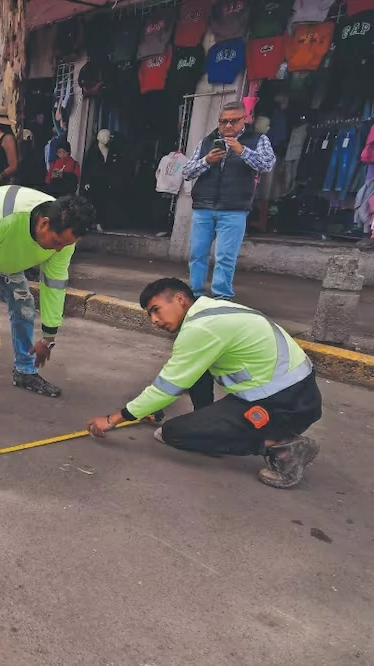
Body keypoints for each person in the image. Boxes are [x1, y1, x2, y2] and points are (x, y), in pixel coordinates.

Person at [86, 278, 321, 489]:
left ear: (179, 299)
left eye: (156, 310)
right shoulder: (212, 311)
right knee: (198, 373)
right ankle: (210, 424)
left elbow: (166, 387)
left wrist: (112, 420)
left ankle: (284, 446)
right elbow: (187, 375)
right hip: (295, 393)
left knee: (171, 433)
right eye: (150, 315)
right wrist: (152, 408)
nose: (154, 321)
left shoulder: (201, 328)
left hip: (282, 403)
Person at [0, 187, 96, 411]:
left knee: (25, 307)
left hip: (4, 257)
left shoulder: (64, 239)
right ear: (43, 224)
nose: (58, 250)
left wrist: (48, 338)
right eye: (56, 242)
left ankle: (25, 372)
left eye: (65, 245)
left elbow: (54, 285)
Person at [182, 101, 276, 300]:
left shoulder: (257, 139)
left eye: (234, 121)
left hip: (234, 208)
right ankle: (195, 294)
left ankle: (221, 297)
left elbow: (267, 164)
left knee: (225, 257)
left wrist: (242, 150)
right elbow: (187, 172)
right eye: (223, 121)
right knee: (197, 254)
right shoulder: (208, 140)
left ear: (245, 119)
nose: (228, 126)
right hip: (204, 206)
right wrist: (207, 160)